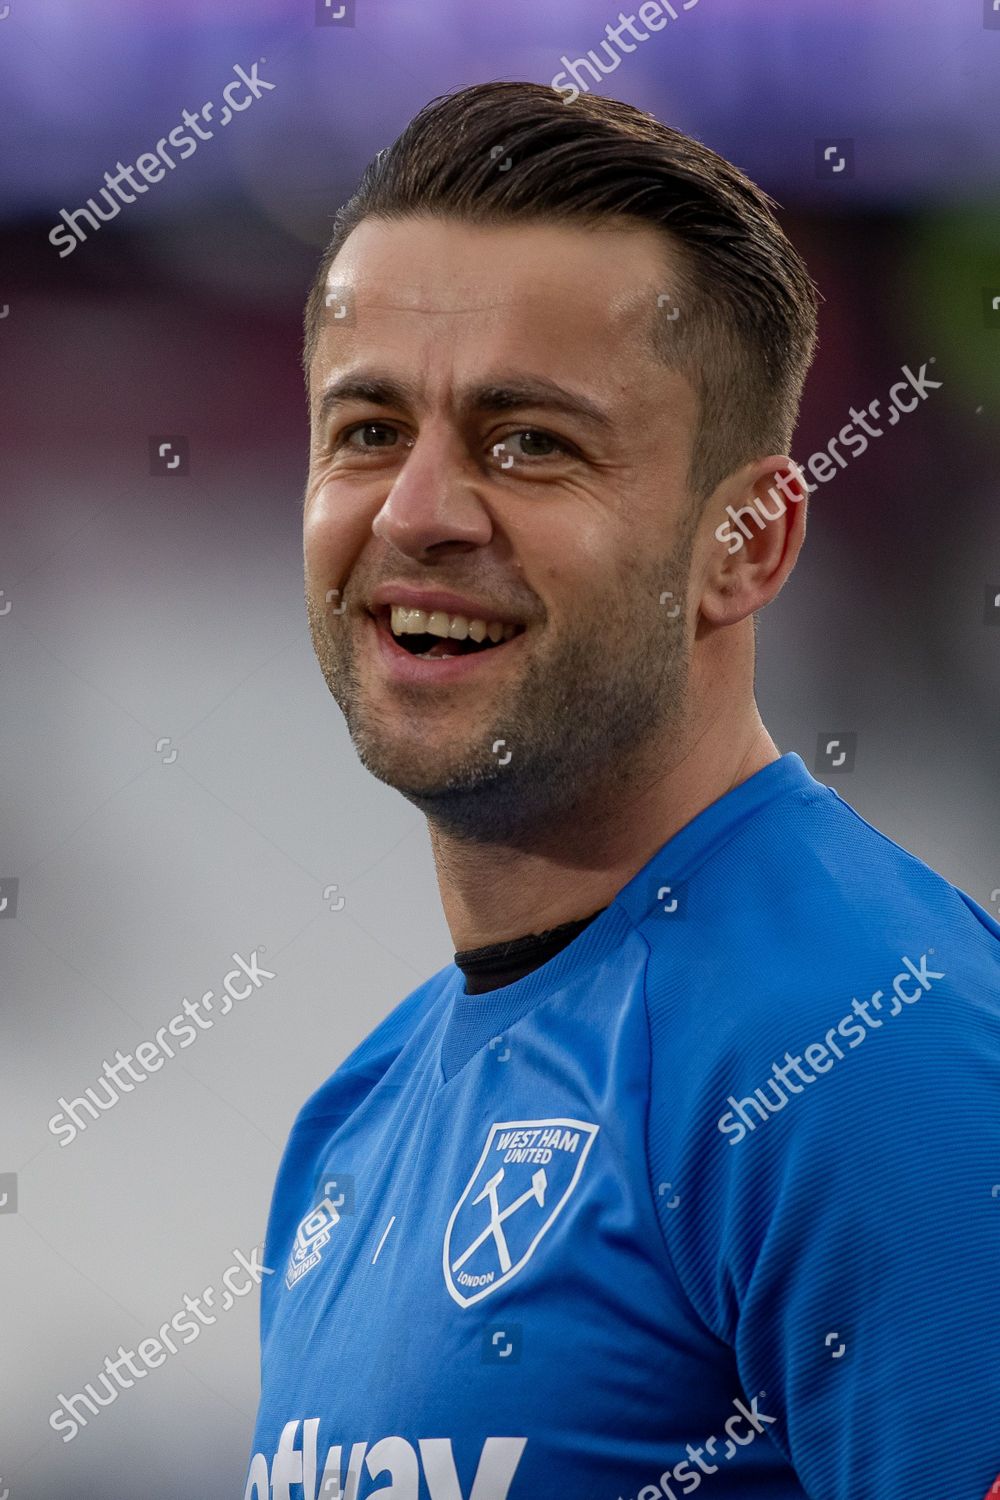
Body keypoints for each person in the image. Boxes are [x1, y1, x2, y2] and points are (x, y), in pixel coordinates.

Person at [243, 80, 1000, 1500]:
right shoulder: (350, 1124)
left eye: (529, 441)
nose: (417, 512)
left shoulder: (880, 1058)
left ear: (750, 543)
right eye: (364, 432)